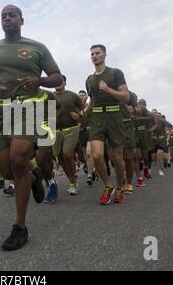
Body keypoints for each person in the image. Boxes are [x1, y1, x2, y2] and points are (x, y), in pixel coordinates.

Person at [0, 5, 63, 250]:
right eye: (3, 15)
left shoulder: (37, 47)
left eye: (12, 14)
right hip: (2, 111)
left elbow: (57, 76)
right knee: (6, 171)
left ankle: (20, 227)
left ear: (21, 20)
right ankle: (34, 175)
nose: (7, 18)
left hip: (29, 108)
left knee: (17, 159)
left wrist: (41, 80)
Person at [85, 44, 130, 205]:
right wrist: (85, 111)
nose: (94, 56)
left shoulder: (115, 73)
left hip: (113, 116)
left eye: (97, 53)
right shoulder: (89, 80)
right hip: (97, 118)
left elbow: (125, 96)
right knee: (96, 155)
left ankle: (119, 187)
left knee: (116, 157)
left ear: (104, 55)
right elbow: (92, 102)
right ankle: (107, 185)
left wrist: (109, 90)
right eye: (92, 54)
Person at [53, 76, 84, 195]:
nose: (58, 83)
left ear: (65, 82)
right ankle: (72, 178)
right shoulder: (50, 97)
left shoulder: (72, 95)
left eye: (60, 81)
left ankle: (72, 182)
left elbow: (82, 110)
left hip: (71, 129)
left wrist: (78, 116)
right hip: (56, 131)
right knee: (60, 158)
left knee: (67, 154)